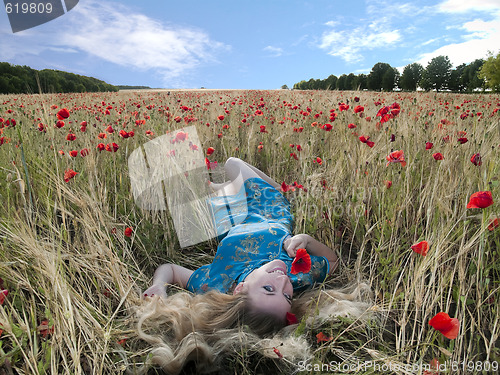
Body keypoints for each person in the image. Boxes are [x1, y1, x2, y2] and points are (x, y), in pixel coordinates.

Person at [136, 158, 370, 374]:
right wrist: (307, 240)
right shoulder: (299, 275)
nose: (283, 282)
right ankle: (277, 190)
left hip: (230, 223)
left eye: (268, 289)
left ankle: (228, 188)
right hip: (268, 210)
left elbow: (172, 270)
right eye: (287, 297)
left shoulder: (214, 283)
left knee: (212, 192)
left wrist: (159, 285)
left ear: (240, 290)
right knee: (232, 163)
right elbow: (333, 261)